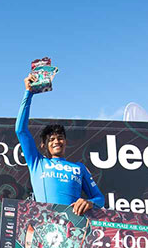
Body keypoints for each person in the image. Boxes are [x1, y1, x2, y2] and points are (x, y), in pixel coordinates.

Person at [15, 74, 104, 213]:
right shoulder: (37, 163)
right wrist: (28, 93)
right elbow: (21, 130)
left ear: (65, 141)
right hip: (44, 225)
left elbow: (100, 199)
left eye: (60, 138)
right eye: (51, 139)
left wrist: (89, 202)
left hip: (72, 229)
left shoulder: (79, 168)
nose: (56, 141)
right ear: (44, 145)